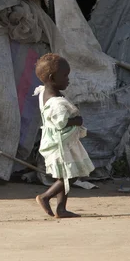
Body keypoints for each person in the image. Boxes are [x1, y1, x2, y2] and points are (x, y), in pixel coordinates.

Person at [33, 53, 94, 218]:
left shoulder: (44, 92)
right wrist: (76, 120)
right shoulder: (57, 102)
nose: (68, 79)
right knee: (71, 175)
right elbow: (61, 122)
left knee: (65, 176)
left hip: (58, 141)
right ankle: (45, 197)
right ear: (52, 78)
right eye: (65, 76)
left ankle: (61, 209)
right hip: (60, 143)